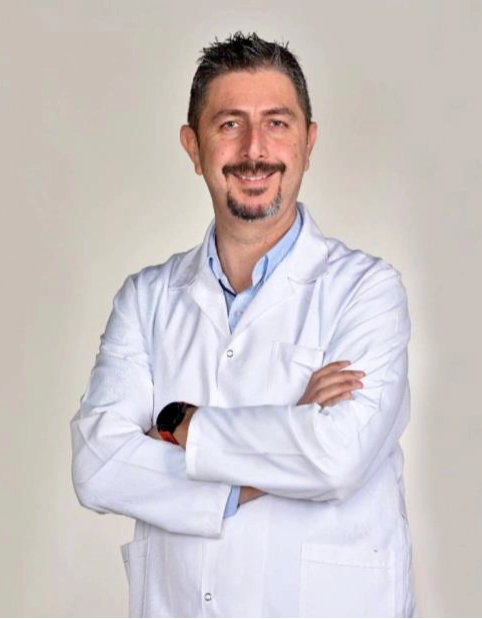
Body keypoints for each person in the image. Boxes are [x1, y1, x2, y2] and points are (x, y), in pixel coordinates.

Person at [71, 32, 414, 619]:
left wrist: (187, 428)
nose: (255, 149)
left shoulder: (367, 291)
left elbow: (336, 459)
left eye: (277, 123)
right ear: (193, 146)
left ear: (308, 142)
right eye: (229, 124)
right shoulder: (146, 300)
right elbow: (98, 466)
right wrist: (283, 439)